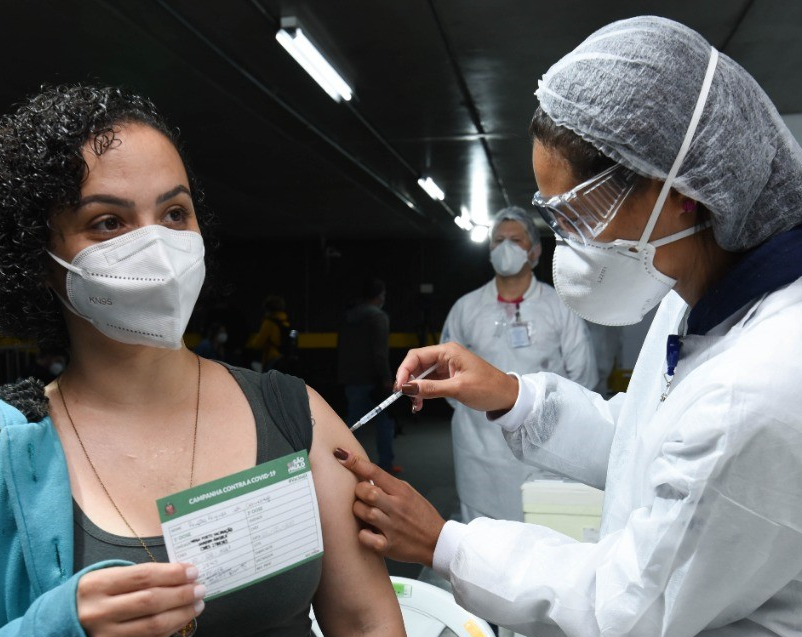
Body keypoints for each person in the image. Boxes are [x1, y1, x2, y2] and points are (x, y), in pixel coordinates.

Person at [334, 16, 802, 637]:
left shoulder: (760, 385)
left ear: (678, 191)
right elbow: (645, 444)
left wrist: (445, 544)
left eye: (578, 214)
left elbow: (628, 606)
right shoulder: (690, 296)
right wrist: (511, 394)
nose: (565, 243)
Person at [0, 84, 404, 637]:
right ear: (40, 259)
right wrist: (57, 627)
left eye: (174, 212)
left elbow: (365, 622)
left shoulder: (294, 416)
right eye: (108, 223)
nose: (158, 247)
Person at [441, 205, 597, 524]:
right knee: (482, 539)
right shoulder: (466, 308)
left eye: (516, 239)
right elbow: (446, 376)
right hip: (479, 449)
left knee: (542, 529)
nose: (506, 247)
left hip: (545, 446)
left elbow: (583, 376)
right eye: (498, 240)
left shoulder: (558, 306)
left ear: (535, 251)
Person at [337, 277, 401, 474]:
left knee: (351, 424)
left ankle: (339, 462)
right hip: (373, 379)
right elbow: (380, 352)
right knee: (385, 423)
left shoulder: (348, 316)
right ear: (380, 296)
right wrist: (387, 378)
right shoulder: (378, 317)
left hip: (350, 376)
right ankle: (386, 465)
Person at [245, 294, 292, 372]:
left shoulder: (269, 322)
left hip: (272, 358)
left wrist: (249, 343)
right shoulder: (285, 321)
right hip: (284, 358)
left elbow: (258, 344)